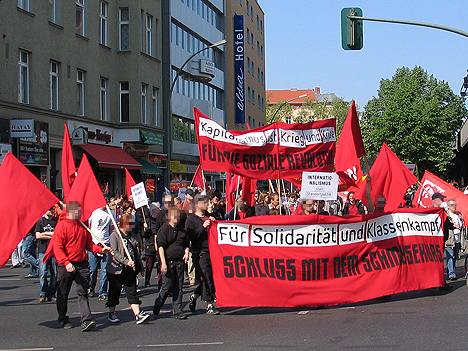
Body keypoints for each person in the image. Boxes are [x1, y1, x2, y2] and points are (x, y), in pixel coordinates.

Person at [53, 201, 112, 331]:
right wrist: (66, 262)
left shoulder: (82, 225)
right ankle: (62, 318)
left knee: (83, 292)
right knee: (63, 292)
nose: (80, 213)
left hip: (81, 264)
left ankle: (86, 320)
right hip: (65, 264)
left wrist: (101, 249)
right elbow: (57, 247)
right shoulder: (61, 226)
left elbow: (88, 244)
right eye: (77, 211)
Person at [106, 214, 150, 325]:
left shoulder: (132, 236)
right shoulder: (114, 236)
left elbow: (136, 252)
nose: (130, 226)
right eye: (128, 224)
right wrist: (125, 261)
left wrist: (140, 266)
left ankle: (138, 314)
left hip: (129, 270)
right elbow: (114, 252)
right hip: (116, 269)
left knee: (132, 291)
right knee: (114, 292)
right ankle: (112, 313)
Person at [152, 207, 190, 319]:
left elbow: (186, 243)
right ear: (169, 218)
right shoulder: (164, 230)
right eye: (174, 216)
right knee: (167, 286)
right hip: (168, 261)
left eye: (178, 216)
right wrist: (163, 263)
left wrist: (186, 252)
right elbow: (160, 247)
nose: (177, 219)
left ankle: (177, 310)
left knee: (179, 286)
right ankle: (158, 303)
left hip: (179, 262)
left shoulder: (182, 231)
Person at [185, 194, 220, 315]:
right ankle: (209, 304)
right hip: (199, 252)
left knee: (211, 278)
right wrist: (202, 227)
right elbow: (191, 236)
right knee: (206, 278)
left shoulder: (209, 217)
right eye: (204, 202)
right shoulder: (191, 219)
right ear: (196, 204)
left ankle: (194, 296)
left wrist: (214, 224)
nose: (207, 203)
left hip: (212, 251)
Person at [87, 206, 111, 300]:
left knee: (104, 270)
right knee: (92, 269)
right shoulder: (93, 212)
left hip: (105, 244)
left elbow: (111, 228)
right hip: (94, 244)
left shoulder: (110, 213)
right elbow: (88, 227)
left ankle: (103, 291)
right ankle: (91, 287)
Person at [35, 207, 58, 302]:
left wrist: (45, 234)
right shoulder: (40, 221)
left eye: (53, 210)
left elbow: (58, 234)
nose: (51, 211)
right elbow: (38, 235)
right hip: (43, 250)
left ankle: (52, 294)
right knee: (43, 273)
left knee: (55, 273)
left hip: (54, 250)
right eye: (49, 210)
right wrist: (51, 234)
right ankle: (43, 293)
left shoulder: (56, 221)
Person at [444, 199, 465, 281]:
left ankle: (450, 270)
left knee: (455, 256)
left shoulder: (458, 215)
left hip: (458, 239)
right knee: (450, 256)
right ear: (448, 206)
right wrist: (453, 225)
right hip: (450, 239)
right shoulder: (446, 215)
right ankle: (452, 273)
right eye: (452, 205)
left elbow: (462, 228)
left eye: (455, 205)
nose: (454, 206)